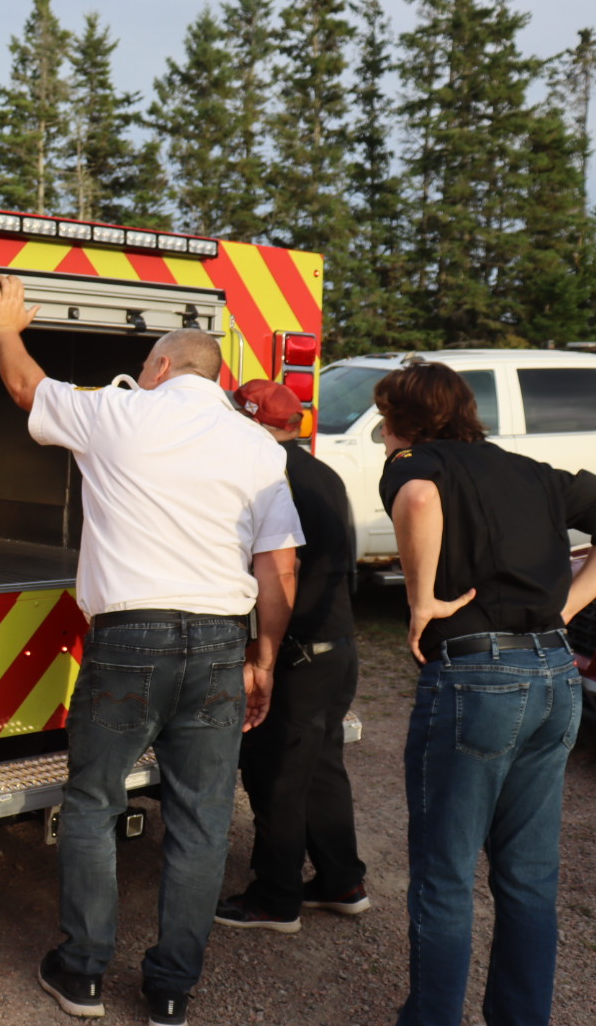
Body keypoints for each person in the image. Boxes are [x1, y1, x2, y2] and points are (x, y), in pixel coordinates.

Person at [0, 274, 302, 1026]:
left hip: (131, 640)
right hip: (223, 644)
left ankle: (84, 973)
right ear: (217, 377)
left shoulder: (118, 412)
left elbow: (30, 388)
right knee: (201, 819)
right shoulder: (259, 448)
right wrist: (263, 656)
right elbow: (278, 566)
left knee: (95, 801)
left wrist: (4, 327)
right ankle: (170, 989)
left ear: (159, 368)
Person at [375, 361, 596, 1026]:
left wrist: (420, 600)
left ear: (404, 420)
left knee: (445, 875)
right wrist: (565, 608)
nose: (383, 436)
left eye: (385, 420)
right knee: (528, 877)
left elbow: (417, 501)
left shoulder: (415, 458)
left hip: (477, 677)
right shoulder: (530, 469)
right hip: (556, 676)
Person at [215, 380, 368, 934]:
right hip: (338, 648)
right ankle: (340, 881)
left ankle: (275, 899)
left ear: (251, 421)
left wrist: (263, 655)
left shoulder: (268, 474)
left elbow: (283, 570)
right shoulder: (320, 471)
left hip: (299, 652)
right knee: (322, 769)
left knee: (275, 774)